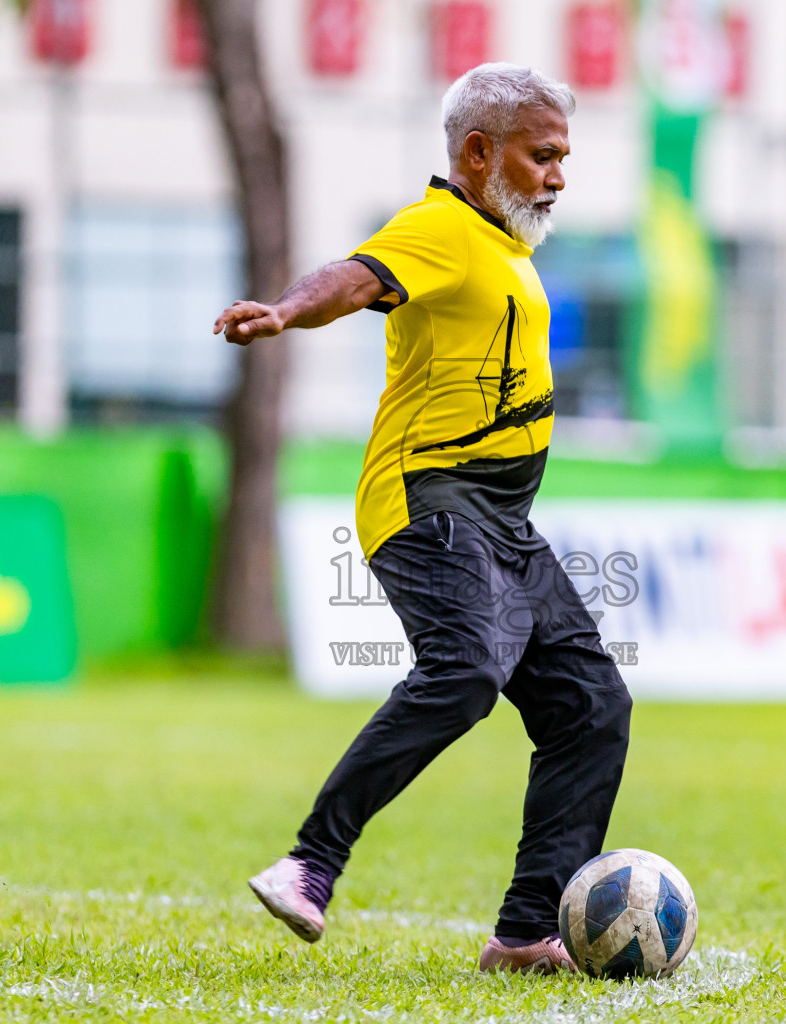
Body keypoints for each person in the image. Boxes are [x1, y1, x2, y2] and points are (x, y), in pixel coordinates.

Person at [214, 63, 632, 975]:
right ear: (478, 153)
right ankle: (310, 861)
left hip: (500, 521)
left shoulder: (501, 241)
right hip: (428, 499)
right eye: (542, 156)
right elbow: (358, 277)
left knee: (592, 705)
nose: (559, 175)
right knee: (468, 666)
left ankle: (526, 936)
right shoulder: (441, 226)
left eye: (565, 157)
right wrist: (285, 313)